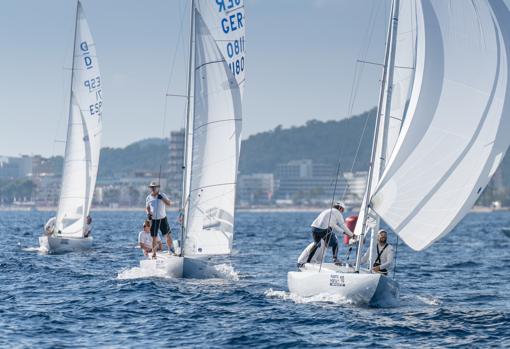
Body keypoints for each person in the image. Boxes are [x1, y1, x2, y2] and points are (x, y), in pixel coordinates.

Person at [146, 181, 173, 258]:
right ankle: (154, 253)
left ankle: (169, 250)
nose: (153, 188)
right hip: (154, 220)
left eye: (155, 187)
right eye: (152, 187)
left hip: (162, 218)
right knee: (154, 237)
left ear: (157, 188)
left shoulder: (162, 195)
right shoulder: (148, 197)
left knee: (167, 235)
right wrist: (148, 213)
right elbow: (147, 207)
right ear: (150, 188)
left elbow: (169, 204)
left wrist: (162, 199)